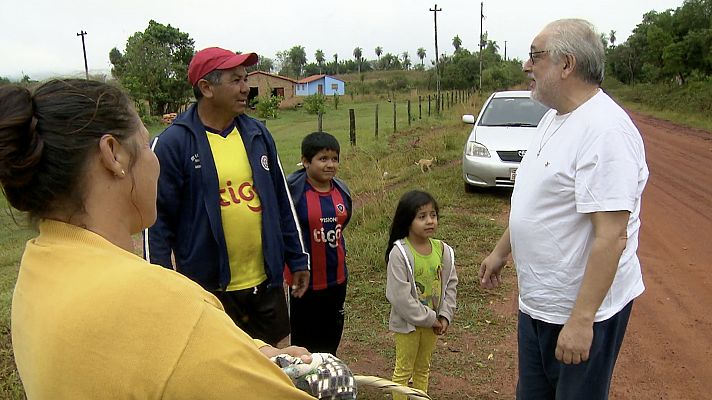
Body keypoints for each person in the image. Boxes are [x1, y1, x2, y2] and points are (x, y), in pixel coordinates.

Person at [0, 79, 315, 399]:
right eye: (145, 143)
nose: (156, 161)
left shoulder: (37, 269)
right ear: (113, 155)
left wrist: (246, 352)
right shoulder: (165, 304)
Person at [479, 19, 649, 400]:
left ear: (567, 64)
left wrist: (581, 321)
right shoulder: (552, 118)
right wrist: (500, 251)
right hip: (539, 304)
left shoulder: (606, 132)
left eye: (535, 56)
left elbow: (611, 236)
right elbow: (536, 198)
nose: (526, 65)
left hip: (580, 312)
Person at [144, 47, 310, 347]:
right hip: (209, 290)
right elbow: (156, 224)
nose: (246, 88)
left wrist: (297, 258)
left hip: (265, 282)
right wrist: (161, 289)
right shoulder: (172, 144)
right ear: (206, 87)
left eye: (245, 79)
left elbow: (281, 201)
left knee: (281, 367)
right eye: (235, 80)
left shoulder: (257, 134)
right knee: (223, 370)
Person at [384, 190, 458, 400]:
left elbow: (450, 284)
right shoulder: (400, 253)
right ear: (407, 220)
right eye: (422, 216)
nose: (429, 221)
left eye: (433, 215)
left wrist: (444, 315)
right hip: (409, 325)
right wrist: (429, 318)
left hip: (433, 323)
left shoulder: (443, 251)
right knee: (403, 370)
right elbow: (399, 296)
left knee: (423, 368)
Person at [286, 131, 352, 355]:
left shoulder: (342, 192)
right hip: (304, 282)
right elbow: (284, 229)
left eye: (334, 159)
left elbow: (344, 224)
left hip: (337, 279)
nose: (330, 165)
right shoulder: (293, 193)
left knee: (331, 333)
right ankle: (303, 383)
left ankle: (326, 375)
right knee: (304, 338)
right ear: (305, 161)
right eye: (322, 159)